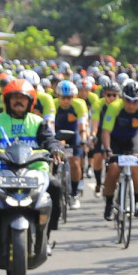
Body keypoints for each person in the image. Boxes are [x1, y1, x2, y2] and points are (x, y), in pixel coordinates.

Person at [0, 77, 61, 235]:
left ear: (30, 101)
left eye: (23, 98)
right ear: (7, 100)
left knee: (55, 186)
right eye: (14, 98)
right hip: (3, 169)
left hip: (35, 169)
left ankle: (49, 230)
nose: (18, 101)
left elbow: (49, 139)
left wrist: (55, 148)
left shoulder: (38, 122)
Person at [100, 79, 138, 220]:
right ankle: (109, 204)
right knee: (113, 168)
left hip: (133, 138)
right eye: (128, 101)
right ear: (122, 98)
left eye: (135, 101)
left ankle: (137, 201)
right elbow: (106, 131)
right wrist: (107, 149)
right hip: (115, 140)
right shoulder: (114, 107)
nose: (131, 105)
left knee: (136, 167)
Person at [52, 79, 89, 209]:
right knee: (52, 161)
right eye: (63, 97)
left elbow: (83, 125)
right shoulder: (53, 104)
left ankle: (74, 193)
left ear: (74, 96)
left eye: (69, 97)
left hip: (74, 134)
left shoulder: (79, 104)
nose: (66, 101)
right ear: (58, 96)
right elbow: (49, 124)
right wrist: (55, 141)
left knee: (74, 163)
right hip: (57, 134)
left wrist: (84, 139)